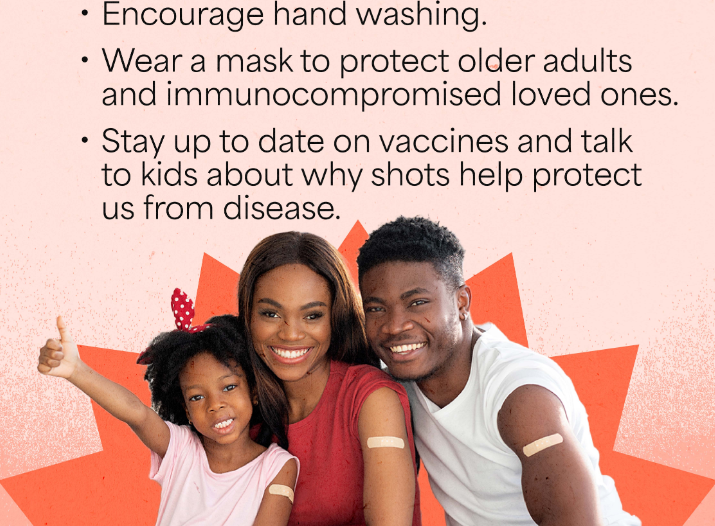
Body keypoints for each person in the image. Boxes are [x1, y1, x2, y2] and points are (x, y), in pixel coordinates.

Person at [357, 216, 640, 526]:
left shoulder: (520, 392)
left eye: (418, 302)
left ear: (461, 302)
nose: (395, 326)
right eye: (376, 308)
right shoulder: (393, 383)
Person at [36, 292, 298, 526]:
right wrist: (77, 371)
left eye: (228, 387)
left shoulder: (277, 467)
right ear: (184, 408)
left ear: (253, 391)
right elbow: (136, 413)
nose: (215, 405)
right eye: (196, 397)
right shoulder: (181, 450)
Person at [238, 231, 421, 526]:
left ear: (335, 318)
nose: (290, 334)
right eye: (271, 314)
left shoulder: (371, 398)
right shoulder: (238, 410)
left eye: (312, 316)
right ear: (247, 316)